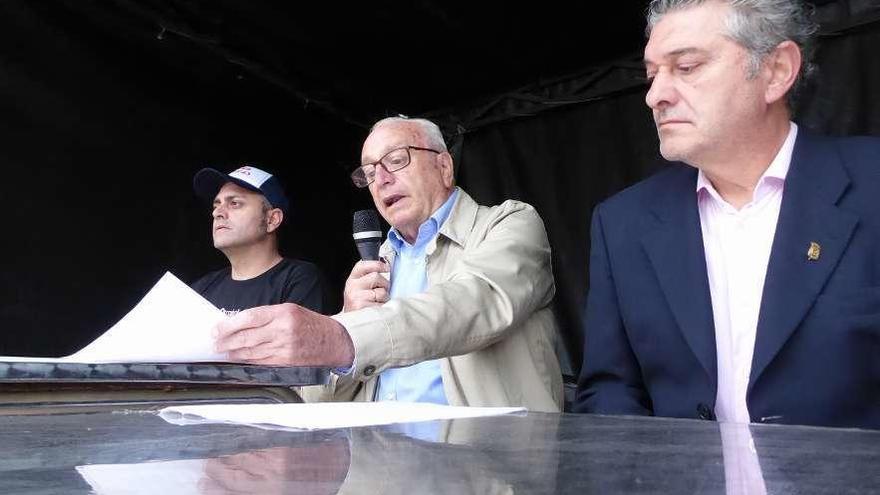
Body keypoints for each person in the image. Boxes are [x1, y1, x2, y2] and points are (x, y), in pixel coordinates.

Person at [574, 0, 880, 429]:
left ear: (775, 71)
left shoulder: (871, 186)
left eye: (686, 67)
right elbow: (610, 392)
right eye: (651, 74)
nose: (654, 95)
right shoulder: (622, 223)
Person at [213, 117, 563, 412]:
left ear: (443, 166)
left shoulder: (510, 223)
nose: (380, 180)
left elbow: (475, 301)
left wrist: (344, 335)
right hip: (378, 468)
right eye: (368, 172)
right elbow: (321, 402)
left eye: (396, 160)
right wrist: (348, 317)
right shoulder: (376, 264)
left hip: (489, 470)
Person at [191, 165, 325, 315]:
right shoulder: (201, 288)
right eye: (217, 205)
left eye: (234, 203)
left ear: (271, 220)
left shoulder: (298, 279)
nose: (217, 213)